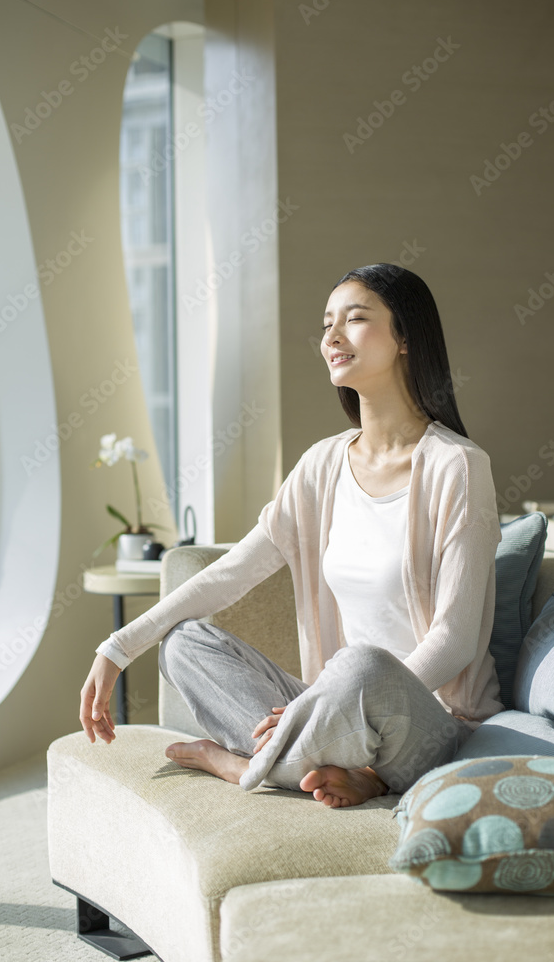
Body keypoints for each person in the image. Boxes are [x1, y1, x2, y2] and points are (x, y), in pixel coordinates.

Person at [79, 263, 504, 808]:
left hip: (431, 724)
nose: (332, 337)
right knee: (185, 644)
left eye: (355, 319)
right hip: (330, 715)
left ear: (405, 338)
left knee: (362, 664)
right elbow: (235, 571)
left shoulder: (459, 467)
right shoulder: (322, 465)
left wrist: (325, 703)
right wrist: (117, 648)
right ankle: (331, 767)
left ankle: (246, 766)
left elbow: (455, 638)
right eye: (327, 323)